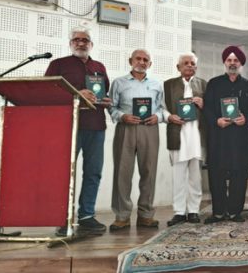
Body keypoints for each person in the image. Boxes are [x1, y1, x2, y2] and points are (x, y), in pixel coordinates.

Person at [45, 27, 110, 235]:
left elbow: (103, 93)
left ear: (91, 44)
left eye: (85, 40)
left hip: (96, 126)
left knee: (93, 172)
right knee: (66, 173)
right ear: (70, 43)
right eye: (76, 39)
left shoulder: (99, 66)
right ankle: (63, 217)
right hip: (69, 126)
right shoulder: (58, 64)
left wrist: (105, 101)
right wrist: (76, 94)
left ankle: (86, 215)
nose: (81, 43)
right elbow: (48, 92)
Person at [108, 49, 165, 230]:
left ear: (150, 64)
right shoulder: (119, 83)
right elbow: (111, 106)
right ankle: (122, 216)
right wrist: (123, 116)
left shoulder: (157, 84)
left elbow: (163, 109)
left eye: (145, 60)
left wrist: (158, 117)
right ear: (130, 61)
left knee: (149, 172)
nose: (141, 62)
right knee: (122, 172)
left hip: (149, 129)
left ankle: (145, 215)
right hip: (126, 128)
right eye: (138, 59)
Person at [203, 46, 248, 224]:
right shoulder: (213, 83)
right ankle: (218, 212)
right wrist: (216, 120)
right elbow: (207, 109)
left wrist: (245, 119)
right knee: (216, 173)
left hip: (239, 137)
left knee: (238, 173)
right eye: (229, 60)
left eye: (236, 60)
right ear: (224, 62)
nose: (232, 63)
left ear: (241, 63)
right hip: (218, 136)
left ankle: (235, 212)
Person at [162, 53, 207, 226]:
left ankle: (194, 210)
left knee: (195, 176)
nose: (189, 66)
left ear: (196, 67)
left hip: (196, 134)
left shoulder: (203, 84)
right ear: (178, 67)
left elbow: (211, 109)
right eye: (185, 63)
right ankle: (179, 211)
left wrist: (203, 104)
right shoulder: (168, 85)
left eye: (192, 63)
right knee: (178, 175)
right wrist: (170, 117)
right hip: (177, 133)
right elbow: (161, 107)